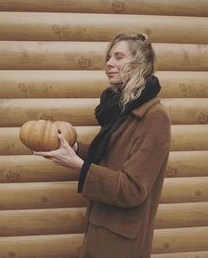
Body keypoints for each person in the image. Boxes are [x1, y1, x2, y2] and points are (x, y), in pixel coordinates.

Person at [33, 33, 171, 258]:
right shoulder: (122, 111)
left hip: (122, 243)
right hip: (102, 227)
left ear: (140, 64)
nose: (109, 63)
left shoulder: (154, 117)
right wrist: (74, 149)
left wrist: (79, 166)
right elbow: (109, 158)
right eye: (109, 57)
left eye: (118, 57)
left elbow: (132, 189)